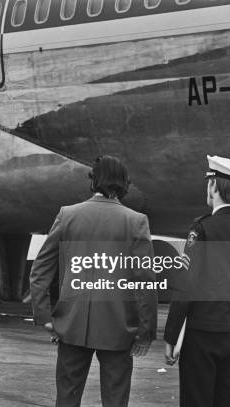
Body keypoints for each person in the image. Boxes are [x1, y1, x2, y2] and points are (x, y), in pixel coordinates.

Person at [30, 155, 158, 407]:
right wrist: (146, 331)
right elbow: (144, 280)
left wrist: (44, 316)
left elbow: (40, 270)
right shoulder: (136, 221)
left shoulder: (67, 215)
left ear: (94, 181)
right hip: (118, 327)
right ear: (124, 184)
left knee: (66, 396)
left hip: (72, 323)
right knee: (115, 398)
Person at [164, 155, 230, 407]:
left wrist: (171, 335)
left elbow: (186, 285)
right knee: (226, 399)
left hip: (201, 334)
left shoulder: (202, 228)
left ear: (214, 186)